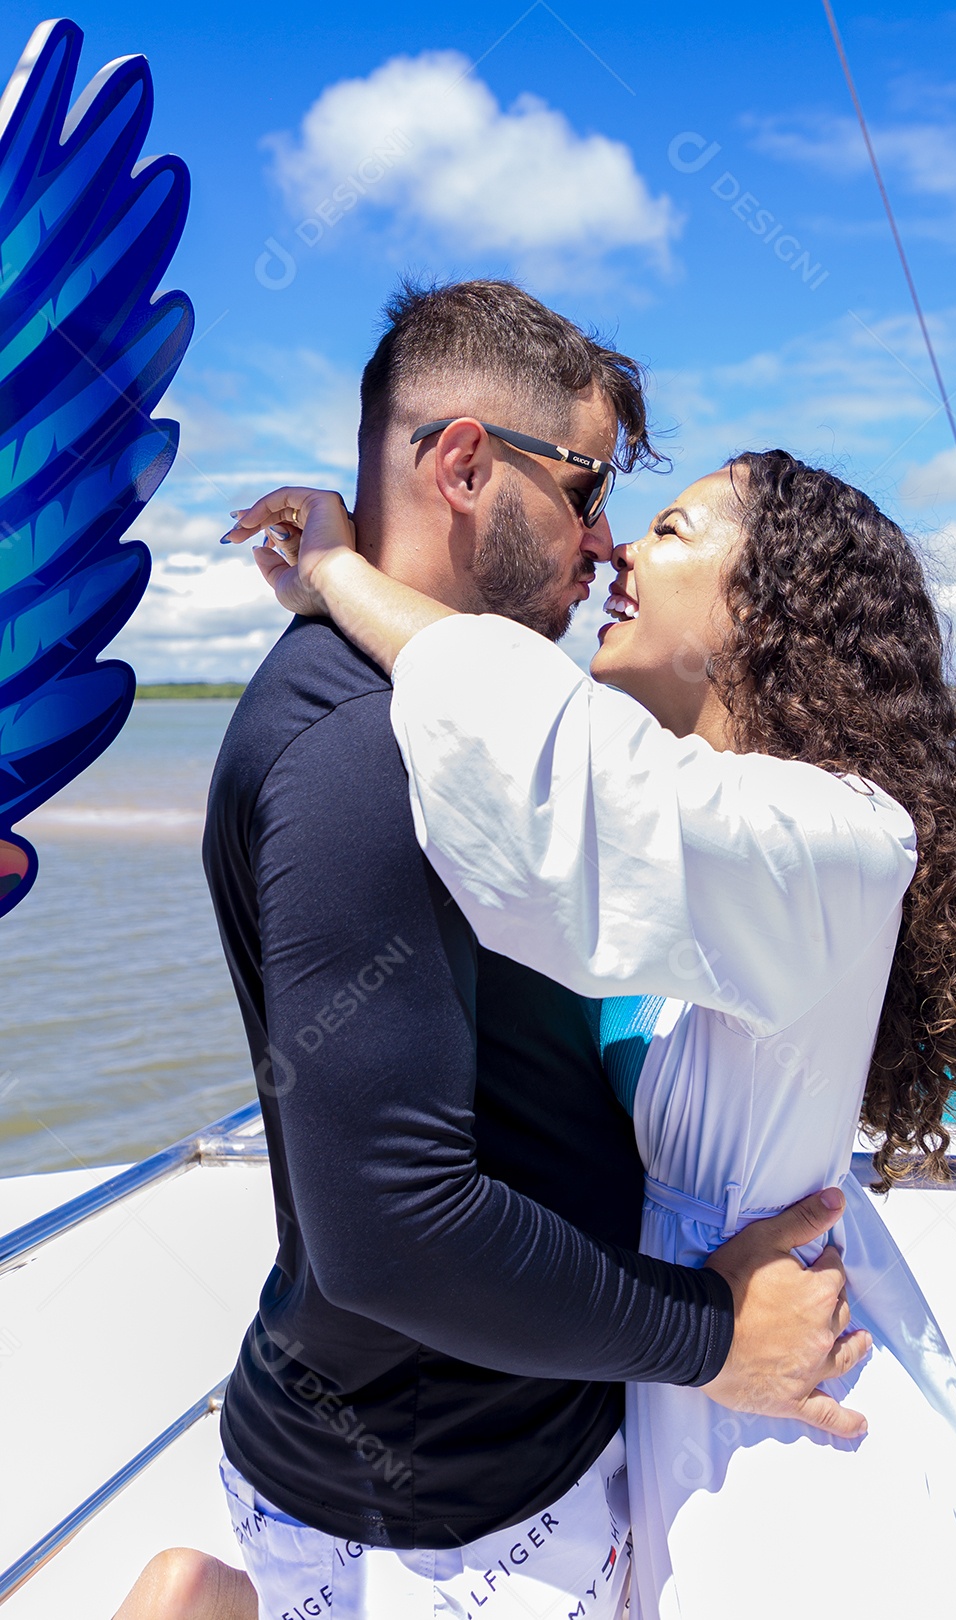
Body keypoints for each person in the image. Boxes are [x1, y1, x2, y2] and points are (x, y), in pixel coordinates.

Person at [115, 285, 867, 1620]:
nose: (601, 539)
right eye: (582, 489)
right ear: (463, 463)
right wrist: (717, 1338)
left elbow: (580, 757)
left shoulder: (442, 720)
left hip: (472, 1447)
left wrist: (338, 575)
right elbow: (398, 1233)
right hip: (456, 1516)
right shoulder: (361, 749)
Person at [232, 446, 956, 1619]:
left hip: (776, 1372)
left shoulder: (843, 835)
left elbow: (552, 753)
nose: (612, 549)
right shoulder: (701, 812)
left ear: (766, 603)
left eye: (664, 529)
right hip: (681, 1349)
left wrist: (342, 576)